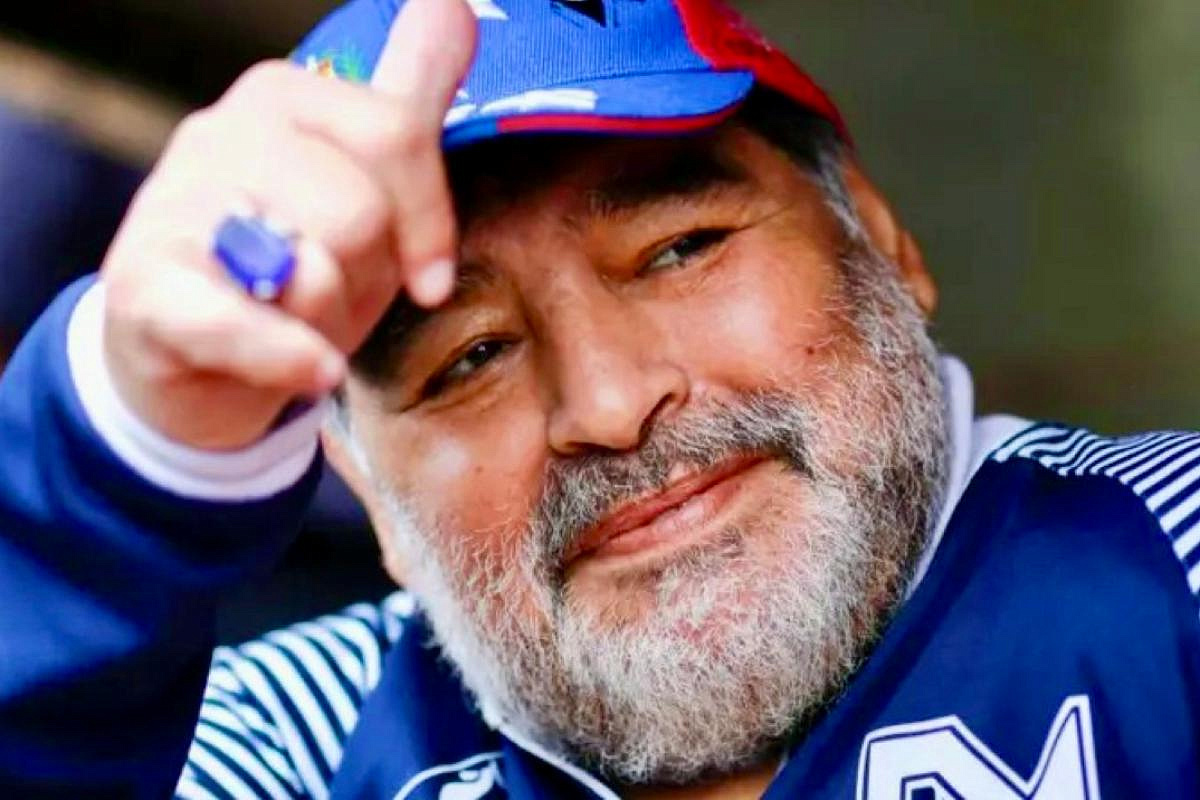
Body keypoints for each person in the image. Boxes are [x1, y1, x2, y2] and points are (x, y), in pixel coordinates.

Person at [1, 0, 1197, 797]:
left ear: (881, 239)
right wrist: (111, 464)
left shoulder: (1167, 559)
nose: (612, 404)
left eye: (682, 247)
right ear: (364, 483)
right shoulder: (291, 746)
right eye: (466, 357)